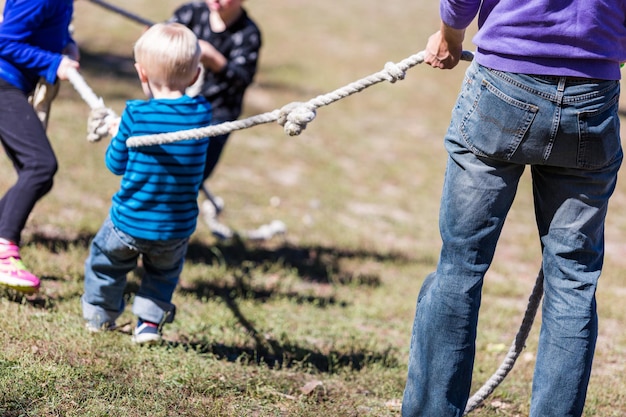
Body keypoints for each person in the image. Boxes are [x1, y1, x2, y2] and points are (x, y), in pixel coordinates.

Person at [402, 1, 626, 416]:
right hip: (592, 95)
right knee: (574, 282)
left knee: (460, 266)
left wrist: (451, 35)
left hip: (505, 82)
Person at [81, 22, 213, 344]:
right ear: (196, 75)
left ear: (141, 74)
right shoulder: (202, 115)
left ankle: (100, 316)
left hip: (128, 222)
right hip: (176, 228)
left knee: (106, 263)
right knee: (162, 274)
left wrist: (119, 130)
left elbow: (115, 164)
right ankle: (148, 326)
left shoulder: (136, 115)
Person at [0, 0, 80, 294]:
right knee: (40, 166)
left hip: (12, 85)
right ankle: (4, 250)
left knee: (35, 176)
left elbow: (46, 27)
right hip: (3, 83)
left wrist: (67, 44)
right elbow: (3, 41)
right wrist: (53, 63)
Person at [168, 0, 261, 237]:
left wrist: (216, 61)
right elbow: (161, 45)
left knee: (190, 178)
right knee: (162, 171)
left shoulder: (247, 34)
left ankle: (173, 238)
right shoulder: (190, 13)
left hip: (216, 117)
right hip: (177, 107)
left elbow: (242, 78)